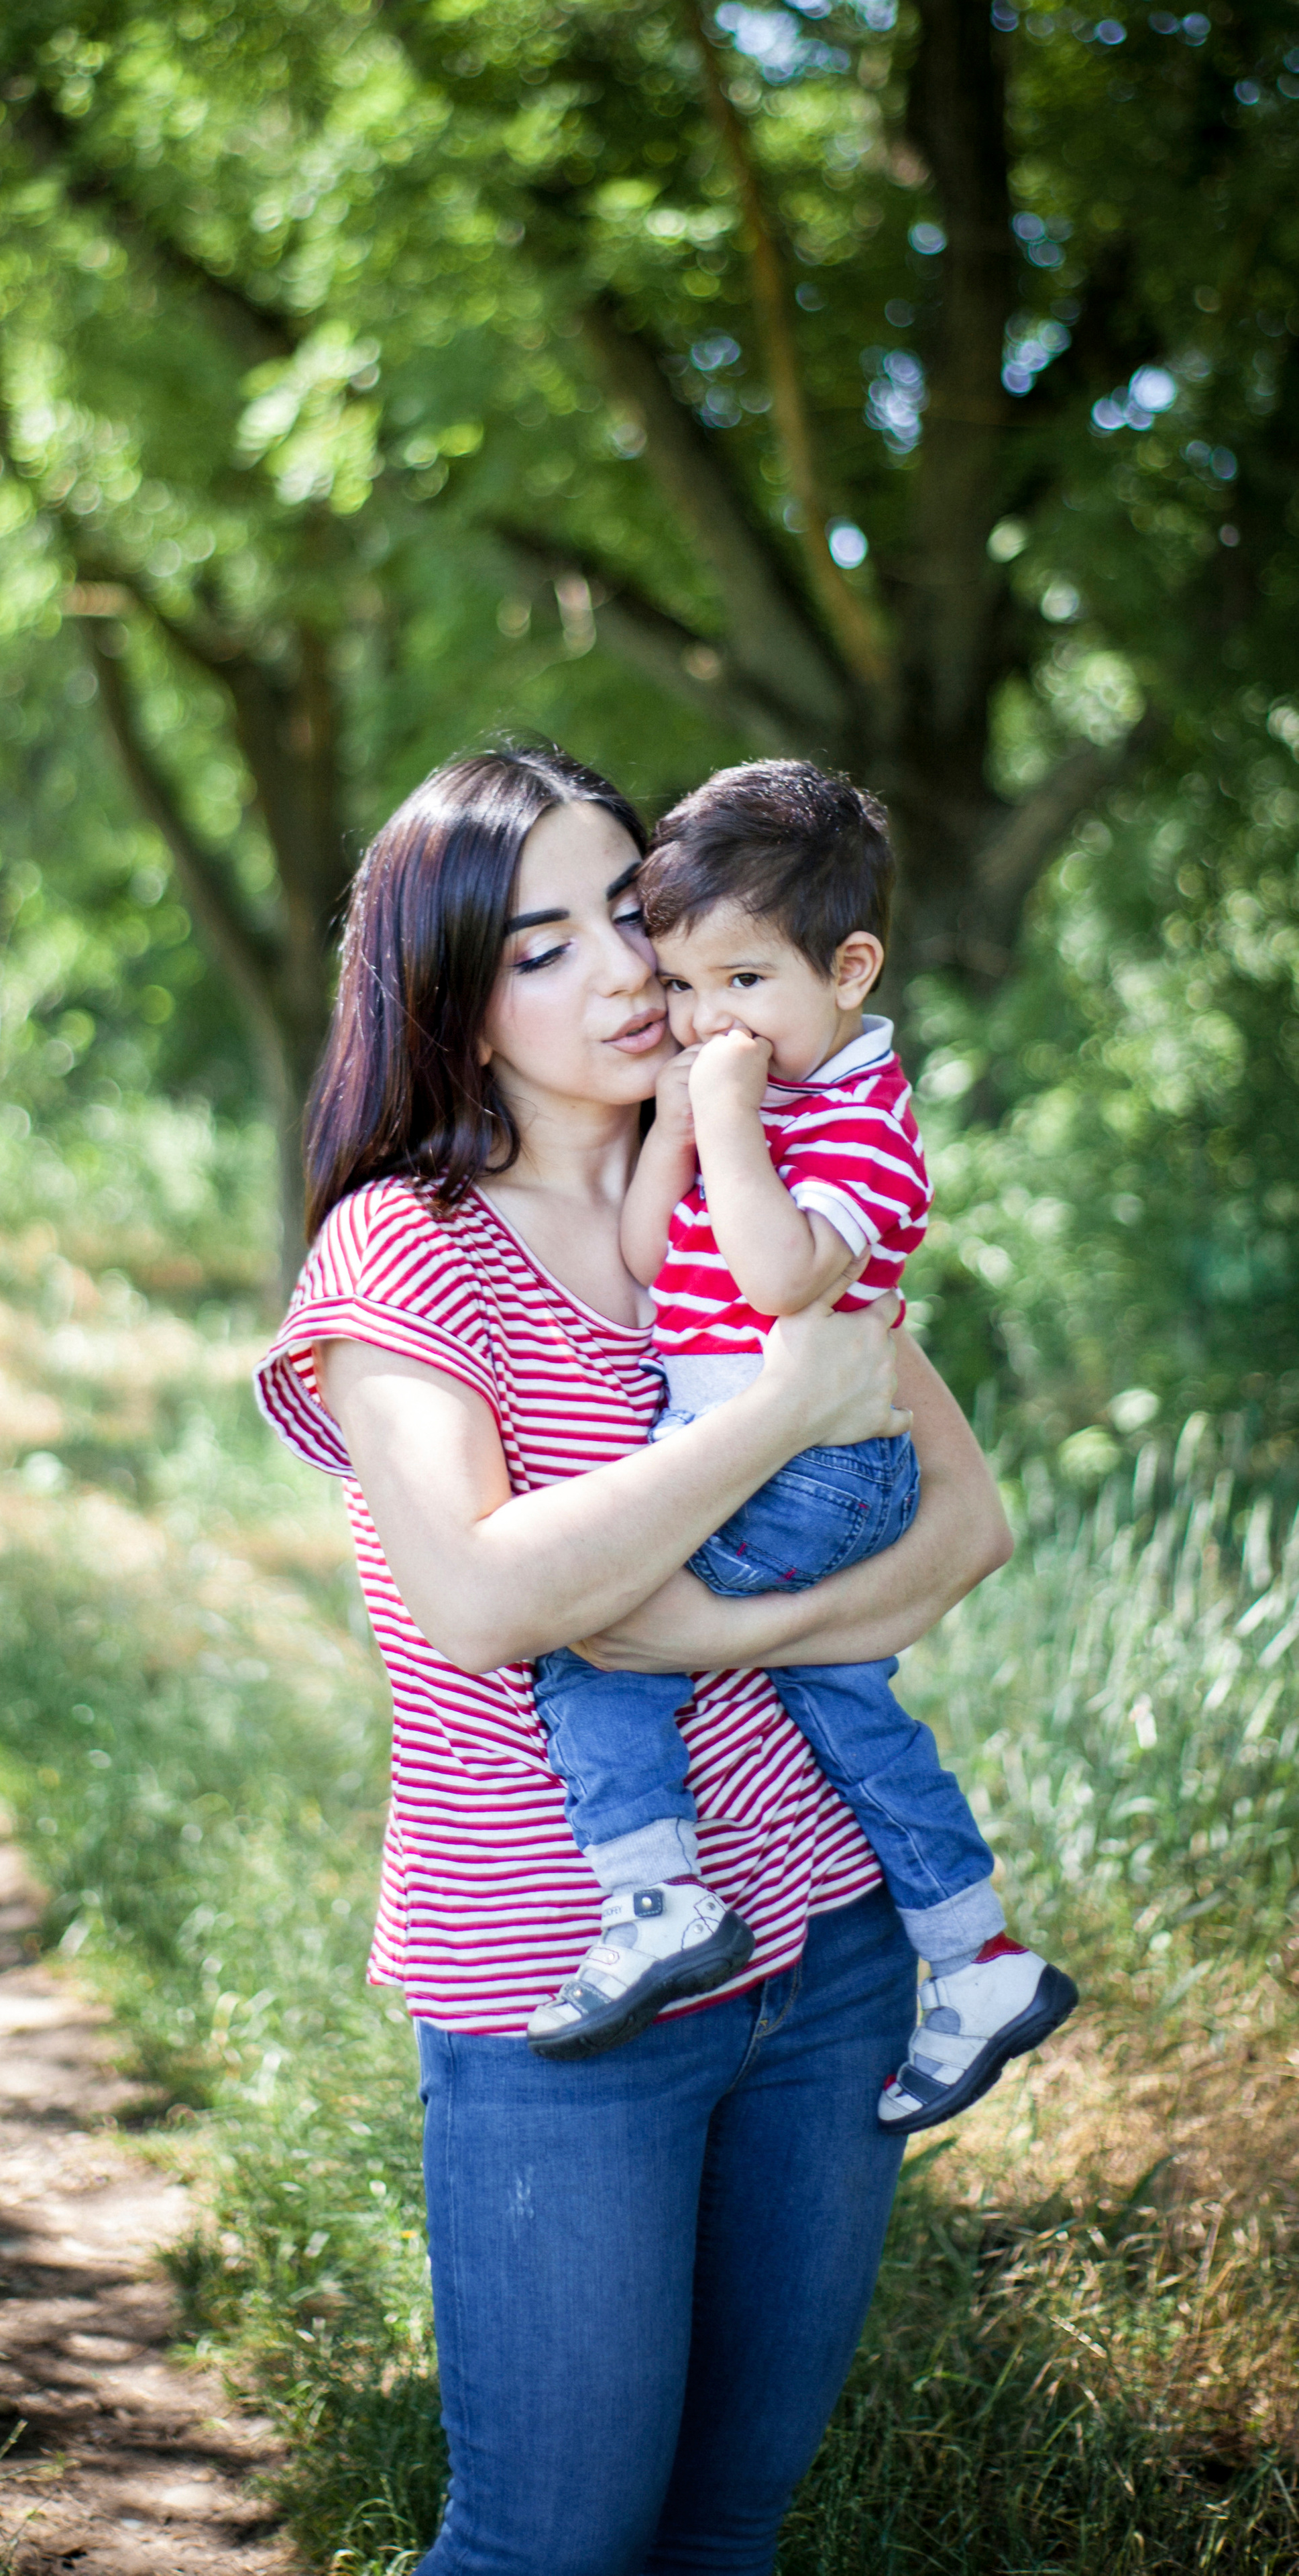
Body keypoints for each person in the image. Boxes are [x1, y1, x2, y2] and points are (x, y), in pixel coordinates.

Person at [256, 742, 1013, 2576]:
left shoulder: (763, 1195)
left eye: (628, 914)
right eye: (539, 949)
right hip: (561, 1986)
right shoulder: (404, 1252)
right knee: (549, 2544)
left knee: (725, 2531)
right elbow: (483, 1600)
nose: (619, 974)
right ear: (451, 996)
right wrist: (772, 1423)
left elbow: (965, 1533)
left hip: (829, 1958)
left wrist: (713, 1631)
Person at [526, 761, 1076, 2129]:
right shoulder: (757, 1106)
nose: (706, 1020)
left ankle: (655, 1897)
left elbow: (779, 1281)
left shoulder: (860, 1130)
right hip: (764, 1447)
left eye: (744, 983)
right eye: (685, 987)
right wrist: (677, 1130)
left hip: (812, 1469)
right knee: (846, 1707)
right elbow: (653, 1260)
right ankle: (978, 1957)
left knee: (593, 1633)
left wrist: (719, 1120)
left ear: (849, 970)